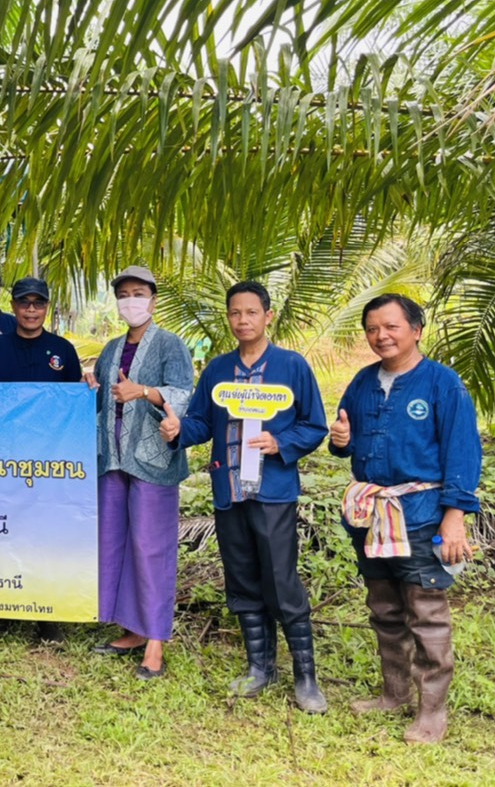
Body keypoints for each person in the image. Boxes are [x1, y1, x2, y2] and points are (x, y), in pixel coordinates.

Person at [162, 280, 329, 712]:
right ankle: (260, 667)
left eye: (251, 312)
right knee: (241, 579)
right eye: (235, 313)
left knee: (281, 579)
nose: (242, 320)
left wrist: (280, 443)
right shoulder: (218, 370)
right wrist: (180, 431)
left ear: (268, 316)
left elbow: (314, 426)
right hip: (229, 490)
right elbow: (201, 422)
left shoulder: (292, 367)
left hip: (273, 492)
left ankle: (305, 678)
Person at [331, 294, 482, 744]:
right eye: (373, 328)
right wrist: (340, 439)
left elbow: (463, 452)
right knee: (384, 607)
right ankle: (393, 692)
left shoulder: (441, 383)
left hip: (421, 514)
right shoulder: (361, 382)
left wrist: (453, 517)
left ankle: (432, 712)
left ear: (416, 330)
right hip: (373, 515)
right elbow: (345, 441)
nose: (382, 336)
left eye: (392, 326)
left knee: (426, 611)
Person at [86, 267, 194, 678]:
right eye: (124, 294)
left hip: (152, 461)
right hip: (112, 458)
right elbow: (104, 405)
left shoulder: (171, 345)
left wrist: (144, 392)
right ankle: (130, 628)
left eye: (139, 293)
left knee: (152, 547)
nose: (131, 300)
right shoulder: (112, 347)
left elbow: (184, 396)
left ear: (153, 299)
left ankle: (155, 641)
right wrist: (92, 389)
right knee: (115, 542)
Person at [0, 276, 87, 643]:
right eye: (25, 303)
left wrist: (91, 391)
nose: (31, 310)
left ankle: (48, 622)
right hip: (3, 460)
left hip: (48, 463)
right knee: (2, 532)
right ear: (15, 306)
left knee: (44, 537)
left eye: (38, 304)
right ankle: (2, 611)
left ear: (46, 307)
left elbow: (77, 407)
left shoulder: (63, 350)